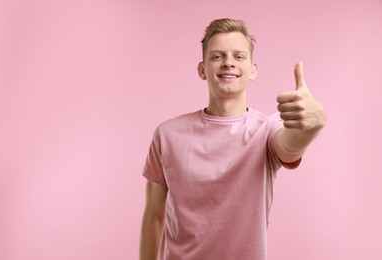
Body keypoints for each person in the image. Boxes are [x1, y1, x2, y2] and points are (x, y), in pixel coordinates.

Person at [139, 18, 326, 260]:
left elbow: (289, 146)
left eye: (238, 56)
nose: (228, 63)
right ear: (202, 69)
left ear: (252, 69)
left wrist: (312, 127)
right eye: (217, 56)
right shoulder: (167, 134)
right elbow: (154, 214)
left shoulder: (267, 129)